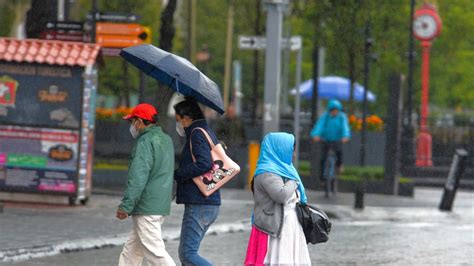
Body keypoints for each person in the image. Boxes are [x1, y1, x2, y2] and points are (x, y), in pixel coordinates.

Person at [116, 103, 175, 266]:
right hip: (159, 204)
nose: (132, 126)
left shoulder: (145, 142)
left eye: (132, 122)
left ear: (140, 121)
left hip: (147, 206)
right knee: (131, 252)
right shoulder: (166, 139)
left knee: (155, 253)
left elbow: (138, 176)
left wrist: (126, 205)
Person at [244, 132, 311, 265]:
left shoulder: (285, 170)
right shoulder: (267, 173)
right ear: (279, 149)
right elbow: (281, 195)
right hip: (276, 230)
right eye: (291, 151)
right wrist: (294, 181)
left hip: (288, 226)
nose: (294, 155)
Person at [173, 98, 220, 266]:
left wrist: (179, 174)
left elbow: (204, 163)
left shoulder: (197, 133)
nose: (178, 124)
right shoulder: (205, 131)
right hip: (207, 202)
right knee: (188, 255)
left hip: (200, 202)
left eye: (178, 120)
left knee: (187, 254)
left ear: (187, 117)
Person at [310, 99, 351, 193]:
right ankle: (322, 178)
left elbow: (345, 127)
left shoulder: (342, 117)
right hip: (326, 140)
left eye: (336, 110)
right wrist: (316, 134)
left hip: (337, 139)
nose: (334, 112)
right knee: (323, 158)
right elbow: (319, 126)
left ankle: (340, 165)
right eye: (332, 110)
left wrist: (345, 136)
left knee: (339, 152)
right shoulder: (325, 116)